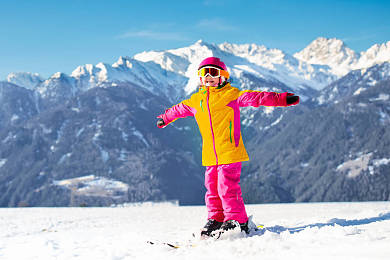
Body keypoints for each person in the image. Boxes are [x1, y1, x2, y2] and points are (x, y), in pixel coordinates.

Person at [156, 57, 299, 237]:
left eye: (213, 72)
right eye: (203, 73)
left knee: (227, 187)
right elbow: (179, 109)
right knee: (212, 188)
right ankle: (216, 219)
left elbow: (257, 97)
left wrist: (282, 99)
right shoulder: (196, 100)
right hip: (210, 155)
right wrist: (165, 117)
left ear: (222, 76)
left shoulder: (231, 95)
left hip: (230, 151)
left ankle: (237, 221)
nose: (208, 76)